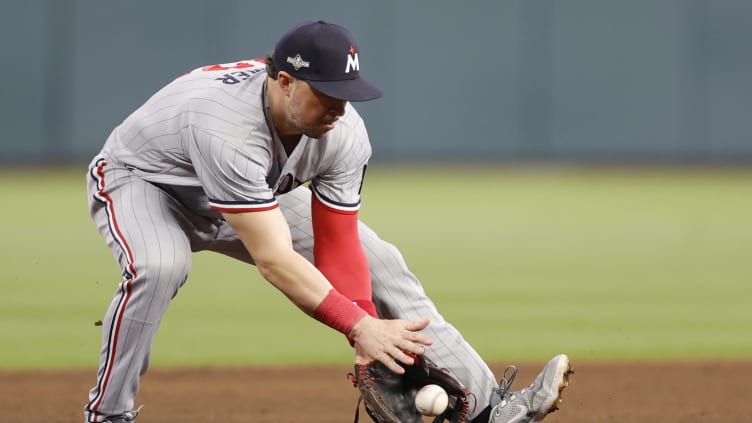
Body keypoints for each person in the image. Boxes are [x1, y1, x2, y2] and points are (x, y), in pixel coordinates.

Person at [83, 20, 571, 423]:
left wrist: (365, 340)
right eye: (328, 93)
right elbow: (273, 259)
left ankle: (491, 410)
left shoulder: (343, 131)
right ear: (285, 82)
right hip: (145, 183)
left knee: (380, 258)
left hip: (247, 193)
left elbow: (338, 240)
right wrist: (359, 325)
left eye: (348, 92)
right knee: (161, 265)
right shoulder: (227, 128)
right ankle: (109, 414)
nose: (340, 106)